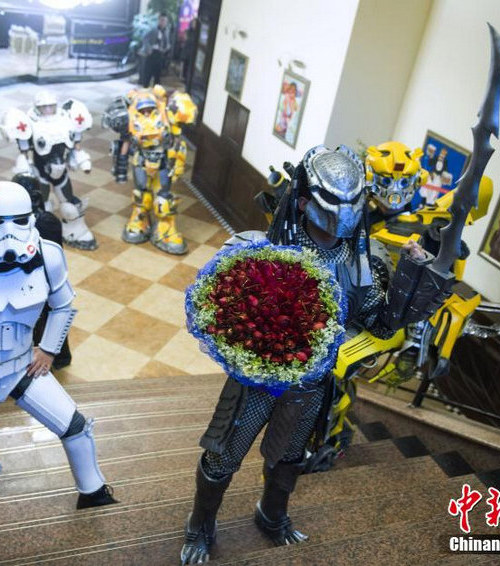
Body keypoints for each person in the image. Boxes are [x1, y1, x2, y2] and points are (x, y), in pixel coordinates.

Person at [180, 145, 433, 565]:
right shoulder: (261, 248)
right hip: (258, 381)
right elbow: (220, 312)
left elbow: (380, 323)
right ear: (303, 200)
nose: (343, 212)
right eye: (332, 200)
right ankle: (200, 524)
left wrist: (413, 274)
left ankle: (271, 514)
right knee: (224, 456)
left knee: (289, 457)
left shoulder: (361, 260)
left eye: (351, 200)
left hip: (313, 382)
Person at [0, 181, 116, 509]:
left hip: (22, 366)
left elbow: (63, 305)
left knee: (76, 427)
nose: (8, 233)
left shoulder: (48, 255)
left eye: (18, 221)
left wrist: (49, 349)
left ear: (31, 219)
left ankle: (93, 493)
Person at [102, 85, 197, 255]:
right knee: (141, 192)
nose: (146, 113)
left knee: (164, 196)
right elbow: (125, 142)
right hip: (141, 159)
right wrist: (121, 167)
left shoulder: (167, 112)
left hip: (163, 160)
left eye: (149, 109)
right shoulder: (130, 116)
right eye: (143, 110)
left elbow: (177, 140)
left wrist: (178, 162)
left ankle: (165, 226)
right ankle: (140, 218)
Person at [1, 90, 97, 250]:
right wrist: (24, 170)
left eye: (51, 106)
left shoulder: (65, 119)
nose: (48, 110)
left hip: (61, 172)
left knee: (70, 207)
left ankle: (75, 231)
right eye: (44, 107)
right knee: (42, 207)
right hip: (41, 173)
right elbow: (24, 153)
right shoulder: (30, 122)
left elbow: (76, 147)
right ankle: (39, 235)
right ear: (37, 107)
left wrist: (83, 161)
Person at [12, 173, 72, 369]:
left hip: (41, 281)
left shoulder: (45, 223)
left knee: (49, 318)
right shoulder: (46, 221)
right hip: (32, 281)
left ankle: (54, 356)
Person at [141, 12, 171, 88]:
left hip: (160, 54)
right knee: (147, 75)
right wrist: (148, 49)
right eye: (162, 20)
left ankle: (156, 91)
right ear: (159, 20)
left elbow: (167, 42)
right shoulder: (153, 29)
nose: (163, 22)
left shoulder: (166, 31)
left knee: (157, 77)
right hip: (152, 54)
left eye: (165, 21)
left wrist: (166, 48)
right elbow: (145, 38)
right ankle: (145, 89)